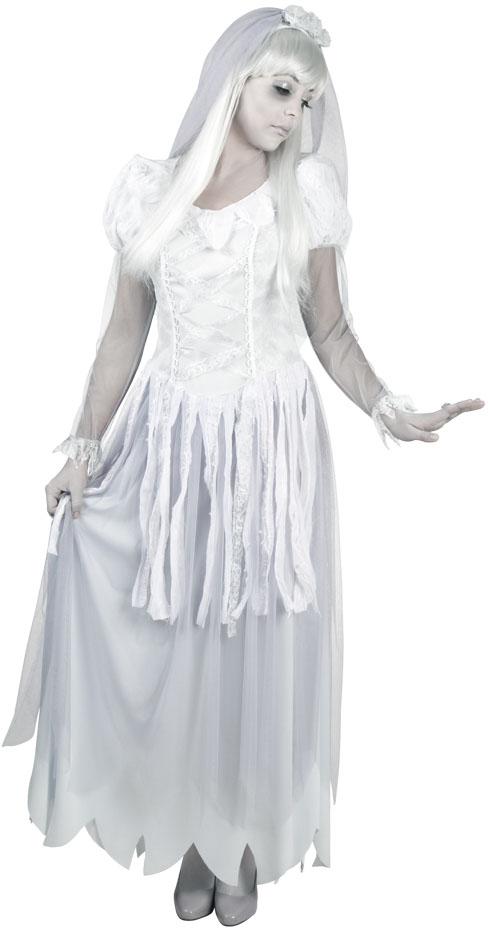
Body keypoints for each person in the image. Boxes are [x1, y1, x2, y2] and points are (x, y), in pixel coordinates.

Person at [2, 6, 483, 926]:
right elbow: (123, 336)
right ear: (235, 81)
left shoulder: (303, 196)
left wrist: (389, 406)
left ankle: (241, 838)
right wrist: (83, 449)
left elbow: (330, 331)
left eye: (307, 100)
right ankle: (195, 832)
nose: (294, 114)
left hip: (270, 449)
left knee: (257, 640)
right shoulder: (152, 193)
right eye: (281, 90)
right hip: (173, 447)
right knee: (180, 633)